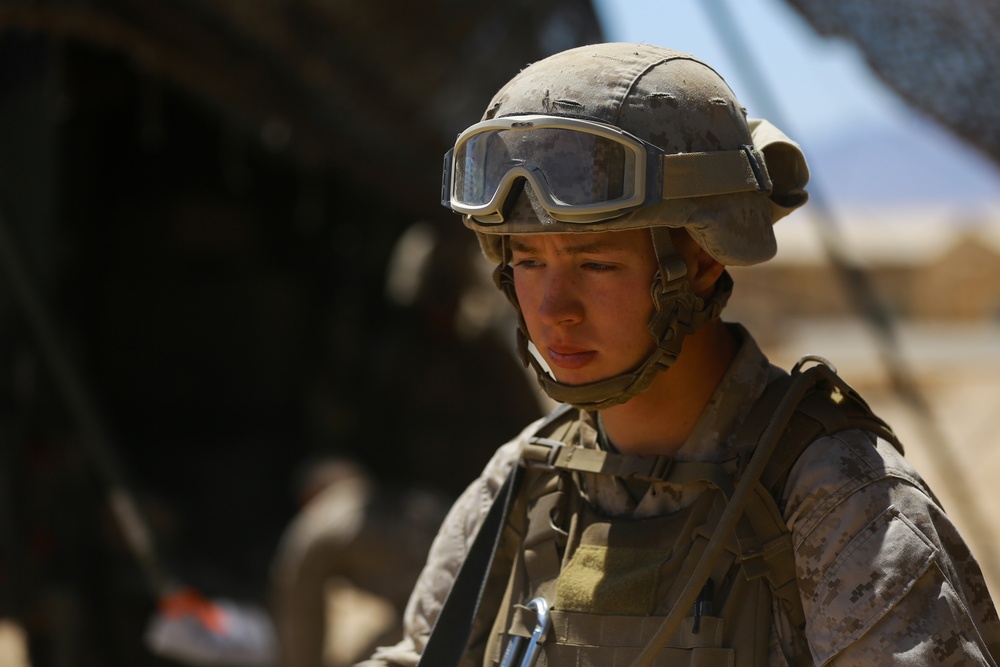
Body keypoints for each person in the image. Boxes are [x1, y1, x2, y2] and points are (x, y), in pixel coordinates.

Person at [357, 42, 1000, 666]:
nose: (554, 309)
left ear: (699, 260)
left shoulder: (831, 506)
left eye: (597, 262)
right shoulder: (523, 486)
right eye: (527, 261)